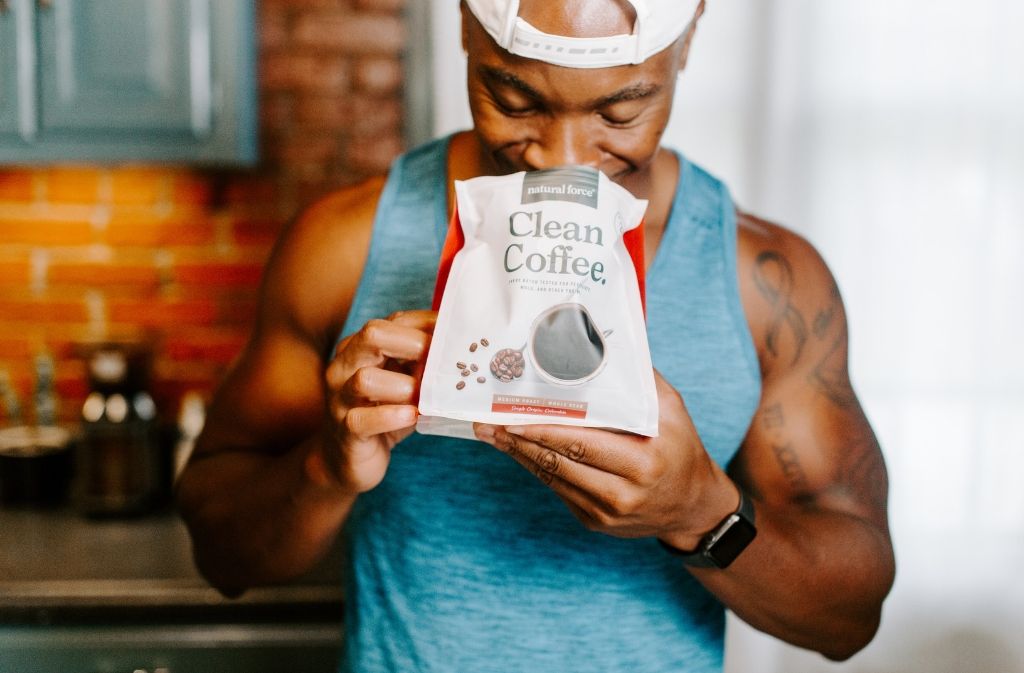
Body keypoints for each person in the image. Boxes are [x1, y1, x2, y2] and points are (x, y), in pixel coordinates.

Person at [176, 1, 896, 671]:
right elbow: (220, 553)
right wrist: (325, 469)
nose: (560, 158)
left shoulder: (766, 284)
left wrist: (700, 511)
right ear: (463, 23)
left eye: (621, 112)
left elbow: (848, 618)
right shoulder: (344, 246)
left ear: (689, 38)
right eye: (514, 101)